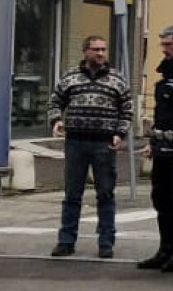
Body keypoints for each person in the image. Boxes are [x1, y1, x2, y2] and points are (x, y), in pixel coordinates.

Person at [48, 35, 132, 259]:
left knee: (105, 193)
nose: (101, 54)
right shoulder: (70, 77)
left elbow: (127, 109)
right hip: (76, 141)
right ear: (85, 52)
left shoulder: (117, 79)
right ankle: (66, 241)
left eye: (103, 49)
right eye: (95, 49)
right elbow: (56, 100)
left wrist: (119, 133)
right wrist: (56, 120)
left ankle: (106, 242)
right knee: (72, 194)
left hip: (104, 143)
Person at [139, 26, 173, 272]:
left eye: (169, 44)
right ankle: (164, 249)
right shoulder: (168, 70)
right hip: (162, 149)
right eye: (163, 44)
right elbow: (162, 115)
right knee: (161, 200)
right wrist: (152, 143)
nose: (164, 49)